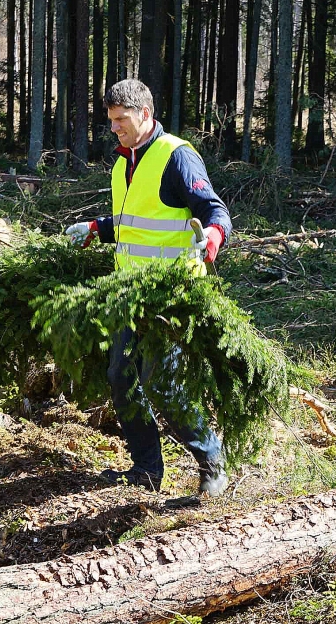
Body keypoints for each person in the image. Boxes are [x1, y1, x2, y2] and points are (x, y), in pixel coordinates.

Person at [64, 78, 232, 498]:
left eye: (121, 119)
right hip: (129, 293)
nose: (114, 127)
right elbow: (135, 223)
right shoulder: (124, 161)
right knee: (121, 377)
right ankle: (146, 470)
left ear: (144, 114)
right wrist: (97, 228)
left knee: (161, 382)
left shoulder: (177, 157)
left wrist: (211, 238)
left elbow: (215, 210)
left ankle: (212, 461)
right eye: (111, 120)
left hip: (169, 296)